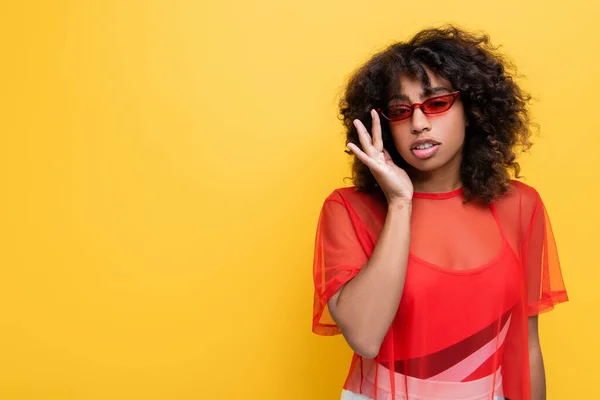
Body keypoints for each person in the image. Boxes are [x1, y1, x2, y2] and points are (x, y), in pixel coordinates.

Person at [311, 25, 568, 400]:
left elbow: (526, 346)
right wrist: (399, 201)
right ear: (382, 123)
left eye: (436, 103)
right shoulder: (349, 210)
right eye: (401, 111)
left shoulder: (521, 206)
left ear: (472, 109)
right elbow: (364, 338)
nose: (418, 124)